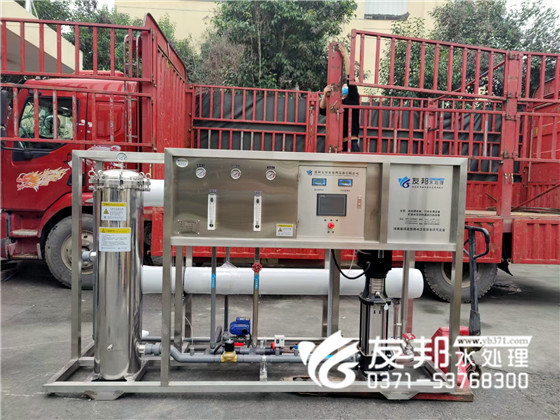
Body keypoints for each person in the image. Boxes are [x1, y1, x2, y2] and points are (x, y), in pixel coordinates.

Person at [319, 42, 360, 152]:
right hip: (337, 144)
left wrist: (345, 55)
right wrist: (325, 94)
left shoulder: (353, 98)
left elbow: (350, 77)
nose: (344, 87)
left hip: (351, 143)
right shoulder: (336, 103)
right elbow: (322, 110)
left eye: (346, 85)